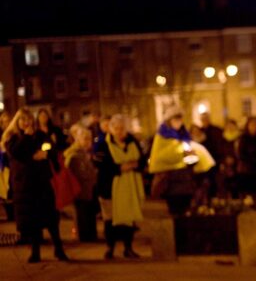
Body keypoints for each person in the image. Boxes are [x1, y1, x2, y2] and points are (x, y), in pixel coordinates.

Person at [1, 108, 68, 263]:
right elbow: (17, 153)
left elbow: (50, 146)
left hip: (42, 183)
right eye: (23, 119)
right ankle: (35, 251)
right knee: (33, 221)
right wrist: (26, 138)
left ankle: (59, 248)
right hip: (25, 185)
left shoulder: (40, 135)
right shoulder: (12, 138)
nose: (26, 122)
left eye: (29, 119)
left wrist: (44, 152)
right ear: (17, 122)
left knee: (51, 218)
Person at [94, 114, 145, 259]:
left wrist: (135, 165)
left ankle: (128, 248)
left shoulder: (133, 142)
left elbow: (142, 160)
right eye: (116, 128)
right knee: (110, 220)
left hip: (130, 188)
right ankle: (110, 248)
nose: (119, 131)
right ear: (111, 130)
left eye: (122, 128)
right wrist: (119, 168)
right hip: (109, 189)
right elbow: (101, 165)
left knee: (128, 220)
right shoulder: (104, 145)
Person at [149, 106, 199, 215]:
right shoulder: (162, 136)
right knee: (176, 211)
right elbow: (160, 156)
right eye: (175, 120)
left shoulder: (184, 136)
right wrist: (181, 153)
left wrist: (192, 157)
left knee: (185, 210)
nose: (178, 123)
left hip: (185, 180)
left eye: (180, 120)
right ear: (169, 121)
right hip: (171, 181)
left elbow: (192, 157)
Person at [65, 124, 98, 242]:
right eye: (85, 139)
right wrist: (93, 174)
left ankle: (89, 235)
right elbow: (78, 173)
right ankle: (85, 237)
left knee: (88, 213)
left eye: (89, 139)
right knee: (82, 214)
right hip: (80, 190)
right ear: (78, 139)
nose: (88, 142)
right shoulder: (74, 155)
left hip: (87, 189)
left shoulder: (84, 153)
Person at [236, 117, 256, 204]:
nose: (254, 127)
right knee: (247, 194)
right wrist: (253, 160)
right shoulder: (243, 138)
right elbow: (241, 154)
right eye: (252, 124)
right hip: (246, 170)